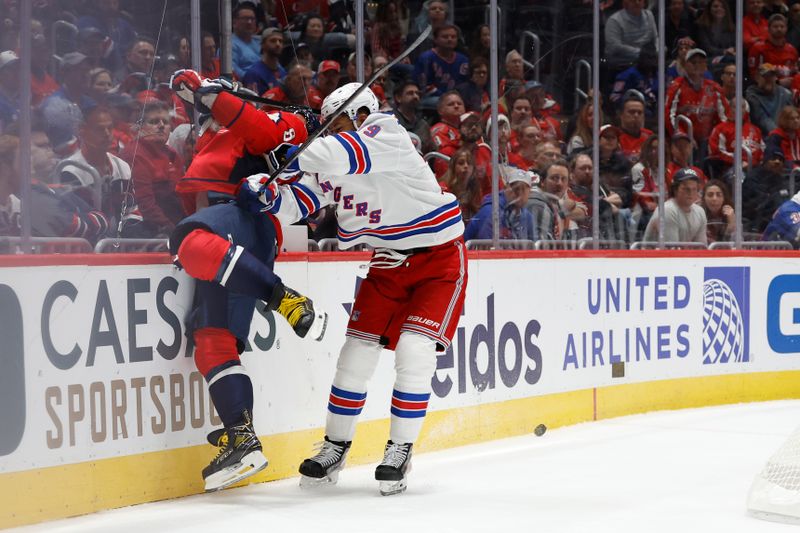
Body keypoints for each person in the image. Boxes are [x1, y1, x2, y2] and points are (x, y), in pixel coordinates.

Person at [239, 82, 468, 496]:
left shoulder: (387, 135)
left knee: (415, 353)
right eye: (327, 124)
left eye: (337, 120)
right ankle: (335, 446)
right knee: (354, 357)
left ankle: (399, 450)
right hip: (385, 263)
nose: (331, 130)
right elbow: (303, 201)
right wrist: (270, 194)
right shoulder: (332, 155)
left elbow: (340, 155)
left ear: (361, 113)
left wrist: (289, 135)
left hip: (437, 260)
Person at [168, 68, 328, 492]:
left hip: (243, 221)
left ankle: (287, 300)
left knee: (189, 241)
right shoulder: (214, 129)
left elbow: (260, 131)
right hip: (234, 243)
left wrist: (210, 94)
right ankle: (243, 440)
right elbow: (189, 93)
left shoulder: (282, 122)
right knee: (213, 343)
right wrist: (198, 92)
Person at [120, 100, 185, 236]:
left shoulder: (172, 154)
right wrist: (175, 230)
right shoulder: (135, 154)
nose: (161, 126)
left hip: (175, 220)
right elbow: (145, 204)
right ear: (141, 126)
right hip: (148, 225)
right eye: (154, 122)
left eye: (165, 122)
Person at [665, 48, 731, 152]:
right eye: (693, 62)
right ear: (685, 65)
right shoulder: (676, 86)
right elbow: (668, 115)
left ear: (705, 66)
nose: (697, 65)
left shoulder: (714, 88)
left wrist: (717, 137)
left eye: (701, 62)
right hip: (683, 141)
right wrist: (682, 136)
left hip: (708, 140)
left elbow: (724, 117)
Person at [464, 167, 535, 241]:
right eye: (515, 188)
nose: (519, 193)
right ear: (505, 188)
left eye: (523, 189)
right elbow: (486, 247)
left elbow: (534, 247)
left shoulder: (527, 217)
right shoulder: (491, 211)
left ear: (529, 192)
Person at [643, 167, 707, 244]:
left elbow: (701, 247)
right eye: (686, 189)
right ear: (675, 190)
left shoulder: (700, 211)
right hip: (655, 255)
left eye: (694, 189)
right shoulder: (667, 210)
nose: (691, 193)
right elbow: (671, 251)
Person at [414, 25, 469, 109]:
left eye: (453, 37)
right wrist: (447, 98)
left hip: (457, 98)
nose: (450, 39)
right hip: (430, 97)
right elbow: (424, 86)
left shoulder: (463, 60)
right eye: (445, 37)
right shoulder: (426, 58)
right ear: (435, 39)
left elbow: (465, 84)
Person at [742, 146, 791, 233]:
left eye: (780, 159)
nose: (777, 162)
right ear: (765, 161)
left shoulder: (782, 180)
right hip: (755, 218)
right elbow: (754, 203)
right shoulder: (753, 177)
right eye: (773, 158)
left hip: (778, 219)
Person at [604, 0, 659, 72]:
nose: (637, 2)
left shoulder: (649, 15)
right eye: (632, 0)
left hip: (648, 60)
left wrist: (658, 50)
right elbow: (614, 47)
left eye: (640, 0)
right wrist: (642, 54)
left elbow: (655, 38)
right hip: (623, 64)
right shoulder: (614, 20)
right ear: (625, 3)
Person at [748, 14, 798, 82]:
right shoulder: (757, 48)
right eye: (775, 26)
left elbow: (795, 72)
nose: (779, 29)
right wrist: (777, 82)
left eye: (782, 26)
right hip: (764, 89)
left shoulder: (792, 50)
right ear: (768, 28)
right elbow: (754, 74)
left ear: (786, 29)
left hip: (788, 89)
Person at [747, 62, 794, 134]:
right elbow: (762, 120)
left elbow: (792, 115)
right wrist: (779, 134)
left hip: (785, 135)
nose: (769, 79)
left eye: (772, 76)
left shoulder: (785, 94)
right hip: (763, 136)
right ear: (757, 78)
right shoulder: (752, 96)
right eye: (765, 76)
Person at [242, 28, 286, 96]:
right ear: (263, 44)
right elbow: (252, 103)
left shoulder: (283, 72)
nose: (278, 44)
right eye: (273, 41)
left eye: (280, 41)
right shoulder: (253, 74)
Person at [231, 2, 261, 79]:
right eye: (245, 18)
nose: (249, 22)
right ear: (234, 22)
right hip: (246, 86)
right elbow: (233, 72)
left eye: (252, 19)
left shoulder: (260, 42)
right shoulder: (228, 45)